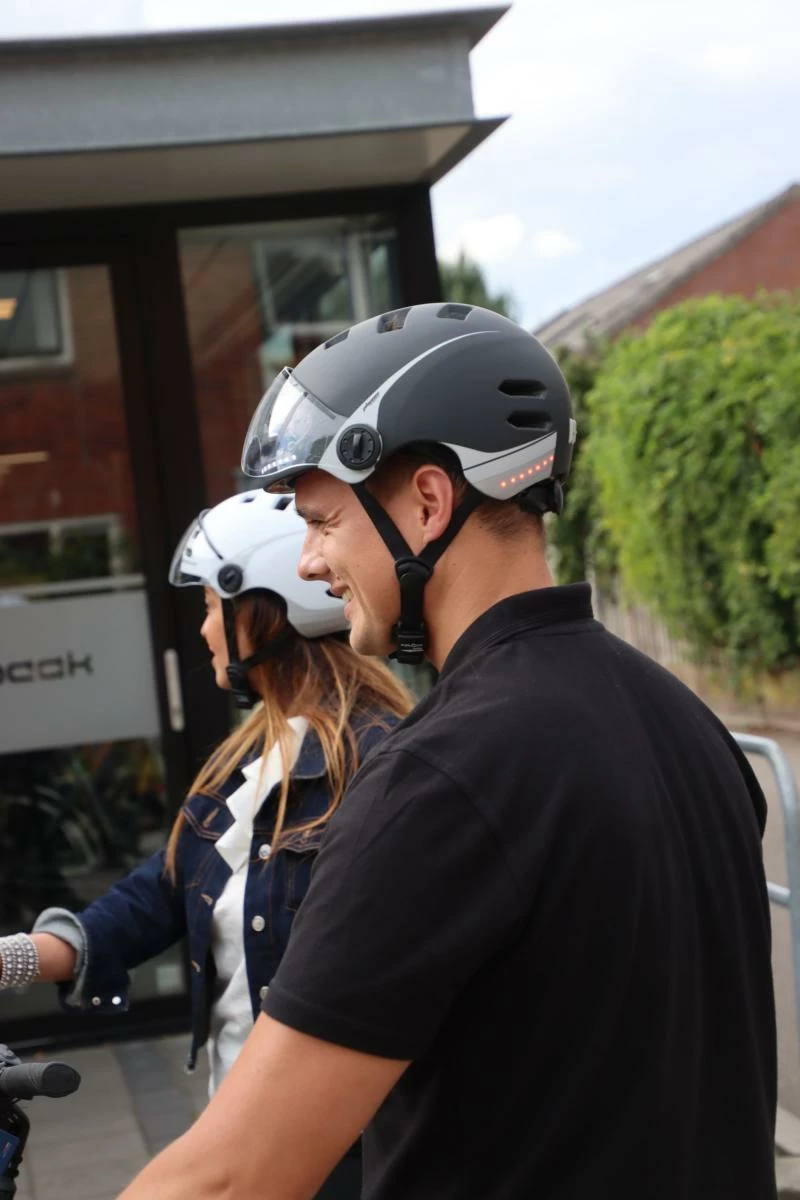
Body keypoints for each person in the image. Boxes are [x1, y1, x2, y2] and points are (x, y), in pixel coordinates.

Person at [117, 303, 777, 1200]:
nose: (307, 563)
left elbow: (232, 1178)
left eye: (322, 522)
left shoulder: (439, 778)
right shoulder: (685, 722)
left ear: (427, 503)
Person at [0, 489, 412, 1200]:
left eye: (211, 606)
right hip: (245, 1134)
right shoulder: (249, 756)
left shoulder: (379, 766)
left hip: (343, 1156)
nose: (203, 630)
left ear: (266, 610)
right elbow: (159, 894)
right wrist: (13, 959)